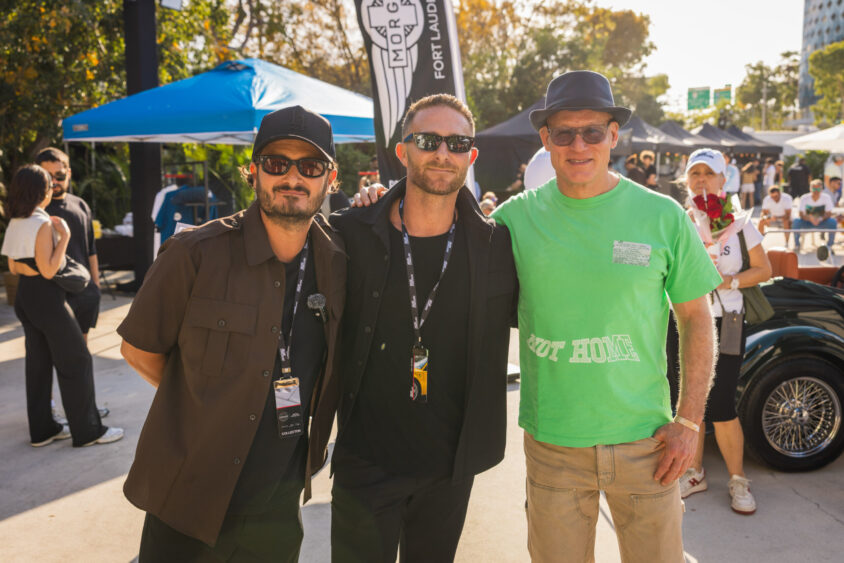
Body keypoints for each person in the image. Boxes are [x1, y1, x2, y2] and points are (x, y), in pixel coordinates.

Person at [491, 71, 720, 562]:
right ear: (545, 141)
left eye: (592, 131)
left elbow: (698, 320)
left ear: (613, 136)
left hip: (648, 444)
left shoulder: (662, 216)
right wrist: (380, 206)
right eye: (564, 133)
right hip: (554, 444)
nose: (579, 144)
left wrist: (690, 423)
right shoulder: (512, 220)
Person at [118, 106, 347, 561]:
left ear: (330, 179)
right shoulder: (193, 254)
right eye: (277, 163)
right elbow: (138, 349)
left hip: (278, 508)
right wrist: (204, 399)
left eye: (310, 166)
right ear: (253, 171)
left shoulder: (340, 262)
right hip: (186, 497)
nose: (293, 178)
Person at [329, 94, 517, 563]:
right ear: (403, 150)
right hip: (364, 461)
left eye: (457, 143)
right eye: (429, 140)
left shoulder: (496, 243)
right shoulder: (350, 232)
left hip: (450, 467)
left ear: (471, 156)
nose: (443, 153)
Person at [673, 149, 772, 516]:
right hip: (684, 321)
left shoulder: (742, 224)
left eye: (708, 173)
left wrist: (728, 279)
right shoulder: (679, 221)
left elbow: (764, 269)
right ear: (686, 180)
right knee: (689, 403)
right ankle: (694, 473)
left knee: (723, 405)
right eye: (694, 173)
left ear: (722, 180)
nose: (701, 179)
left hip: (727, 321)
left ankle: (737, 478)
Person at [1, 165, 122, 448]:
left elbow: (13, 266)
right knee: (77, 361)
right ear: (39, 191)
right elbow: (48, 270)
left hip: (25, 297)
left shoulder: (17, 222)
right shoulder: (42, 224)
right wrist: (64, 237)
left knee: (38, 365)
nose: (51, 189)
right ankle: (88, 431)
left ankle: (43, 430)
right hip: (46, 297)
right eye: (47, 184)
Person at [34, 147, 110, 422]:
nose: (54, 180)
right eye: (47, 175)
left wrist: (96, 286)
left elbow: (90, 249)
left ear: (68, 172)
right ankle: (53, 409)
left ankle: (84, 409)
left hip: (84, 294)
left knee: (81, 358)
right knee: (55, 358)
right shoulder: (37, 212)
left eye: (59, 173)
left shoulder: (80, 205)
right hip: (54, 297)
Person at [793, 179, 837, 253]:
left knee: (833, 222)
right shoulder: (804, 198)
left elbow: (829, 213)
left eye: (818, 188)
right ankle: (797, 245)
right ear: (810, 189)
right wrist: (810, 218)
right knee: (796, 222)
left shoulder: (826, 197)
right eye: (814, 188)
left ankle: (830, 246)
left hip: (822, 222)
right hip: (807, 222)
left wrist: (820, 219)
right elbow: (801, 214)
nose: (816, 190)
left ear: (821, 189)